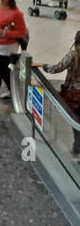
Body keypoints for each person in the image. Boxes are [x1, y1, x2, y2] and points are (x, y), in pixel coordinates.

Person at [40, 30, 80, 159]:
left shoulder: (73, 55)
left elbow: (55, 68)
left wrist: (42, 65)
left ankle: (78, 149)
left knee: (76, 122)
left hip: (74, 96)